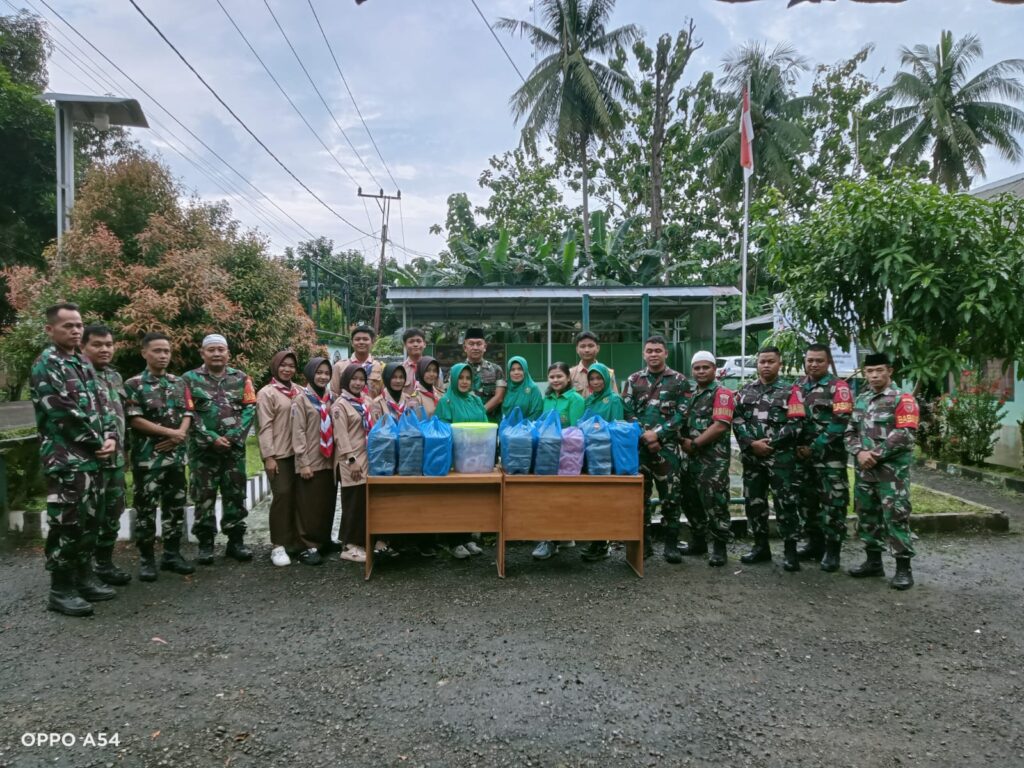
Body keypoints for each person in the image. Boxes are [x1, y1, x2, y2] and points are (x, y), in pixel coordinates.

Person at [30, 303, 118, 616]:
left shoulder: (82, 362)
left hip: (94, 459)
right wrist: (98, 442)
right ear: (50, 329)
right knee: (67, 523)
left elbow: (103, 403)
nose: (76, 331)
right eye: (68, 326)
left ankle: (84, 577)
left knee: (91, 521)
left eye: (78, 325)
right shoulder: (47, 364)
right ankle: (61, 588)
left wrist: (110, 436)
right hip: (67, 460)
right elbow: (63, 412)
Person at [124, 332, 196, 582]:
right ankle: (146, 560)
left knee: (175, 507)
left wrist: (180, 435)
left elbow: (188, 411)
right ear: (144, 352)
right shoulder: (133, 384)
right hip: (148, 461)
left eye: (166, 350)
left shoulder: (179, 383)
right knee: (145, 511)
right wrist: (171, 433)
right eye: (157, 350)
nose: (163, 355)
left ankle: (172, 555)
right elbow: (134, 419)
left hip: (176, 459)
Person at [844, 352, 919, 590]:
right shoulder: (862, 399)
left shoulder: (902, 399)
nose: (874, 375)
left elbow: (905, 434)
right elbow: (850, 431)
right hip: (865, 472)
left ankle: (903, 569)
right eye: (869, 371)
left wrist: (874, 455)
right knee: (867, 516)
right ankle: (873, 562)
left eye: (879, 370)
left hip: (891, 474)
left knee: (896, 517)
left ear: (890, 371)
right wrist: (859, 452)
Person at [183, 333, 257, 565]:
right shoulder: (188, 379)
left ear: (228, 353)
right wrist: (211, 437)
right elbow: (189, 412)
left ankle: (235, 541)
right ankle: (206, 544)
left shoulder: (241, 378)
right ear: (203, 353)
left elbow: (249, 408)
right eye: (211, 349)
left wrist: (233, 436)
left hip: (233, 452)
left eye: (221, 350)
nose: (216, 353)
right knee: (203, 497)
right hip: (203, 452)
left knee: (235, 495)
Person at [732, 346, 805, 572]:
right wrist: (752, 444)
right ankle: (760, 547)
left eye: (770, 361)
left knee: (786, 503)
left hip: (781, 459)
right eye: (762, 361)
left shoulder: (792, 391)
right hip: (753, 459)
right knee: (754, 502)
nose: (765, 365)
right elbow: (737, 421)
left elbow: (796, 423)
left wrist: (770, 445)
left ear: (779, 364)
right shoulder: (745, 392)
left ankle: (791, 552)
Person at [622, 335, 692, 564]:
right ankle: (644, 543)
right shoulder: (633, 380)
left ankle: (671, 543)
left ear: (666, 353)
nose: (653, 354)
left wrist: (659, 434)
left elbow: (683, 413)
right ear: (644, 354)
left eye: (658, 350)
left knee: (670, 498)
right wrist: (645, 434)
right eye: (649, 350)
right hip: (640, 449)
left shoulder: (680, 381)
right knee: (638, 498)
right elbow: (627, 410)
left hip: (667, 450)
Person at [81, 324, 132, 586]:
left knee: (112, 513)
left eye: (109, 344)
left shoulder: (114, 377)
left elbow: (119, 416)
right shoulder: (77, 375)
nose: (104, 349)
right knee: (88, 516)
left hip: (116, 460)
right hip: (89, 461)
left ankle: (104, 563)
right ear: (83, 347)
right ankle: (84, 571)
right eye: (97, 344)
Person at [794, 344, 852, 572]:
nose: (814, 364)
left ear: (827, 362)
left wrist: (815, 446)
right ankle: (814, 544)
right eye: (810, 360)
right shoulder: (798, 387)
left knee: (833, 503)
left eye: (819, 360)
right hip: (802, 458)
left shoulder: (839, 388)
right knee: (806, 502)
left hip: (830, 459)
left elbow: (841, 422)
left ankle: (833, 550)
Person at [678, 351, 735, 567]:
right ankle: (698, 541)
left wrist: (694, 444)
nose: (701, 371)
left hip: (712, 461)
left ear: (715, 369)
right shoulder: (691, 394)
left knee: (715, 502)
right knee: (690, 500)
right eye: (697, 368)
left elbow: (720, 425)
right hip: (689, 459)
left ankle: (720, 548)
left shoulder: (722, 394)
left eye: (706, 367)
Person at [257, 351, 307, 566]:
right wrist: (269, 456)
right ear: (275, 366)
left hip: (300, 454)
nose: (287, 369)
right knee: (282, 496)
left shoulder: (300, 391)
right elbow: (264, 427)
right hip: (280, 455)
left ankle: (296, 541)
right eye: (283, 365)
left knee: (299, 498)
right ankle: (278, 545)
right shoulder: (267, 393)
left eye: (291, 366)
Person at [533, 361, 587, 560]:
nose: (555, 380)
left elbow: (574, 433)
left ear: (568, 378)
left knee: (561, 498)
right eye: (552, 377)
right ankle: (558, 537)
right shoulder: (546, 399)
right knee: (547, 498)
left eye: (559, 376)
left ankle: (553, 540)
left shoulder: (575, 399)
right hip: (548, 457)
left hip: (567, 459)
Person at [434, 363, 488, 559]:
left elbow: (484, 425)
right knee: (454, 499)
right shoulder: (446, 402)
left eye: (468, 378)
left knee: (470, 498)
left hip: (475, 459)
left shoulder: (476, 401)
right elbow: (445, 431)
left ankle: (467, 538)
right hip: (455, 460)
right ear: (454, 379)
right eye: (461, 378)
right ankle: (454, 541)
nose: (464, 382)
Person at [291, 357, 338, 563]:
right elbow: (298, 431)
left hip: (329, 460)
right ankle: (307, 546)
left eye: (327, 373)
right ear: (310, 373)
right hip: (311, 458)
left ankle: (323, 540)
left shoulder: (332, 398)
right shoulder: (301, 399)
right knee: (308, 504)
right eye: (319, 373)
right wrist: (303, 462)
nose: (323, 377)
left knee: (326, 503)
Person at [332, 364, 372, 563]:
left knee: (362, 502)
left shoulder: (363, 401)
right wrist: (351, 460)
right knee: (352, 503)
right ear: (346, 380)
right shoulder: (340, 405)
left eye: (361, 379)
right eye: (353, 379)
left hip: (366, 459)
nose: (358, 383)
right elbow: (341, 436)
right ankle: (348, 545)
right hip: (352, 462)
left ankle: (360, 541)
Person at [463, 328, 505, 421]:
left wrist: (480, 413)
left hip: (490, 423)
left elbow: (499, 397)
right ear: (465, 347)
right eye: (471, 344)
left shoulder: (496, 370)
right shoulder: (455, 371)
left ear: (485, 346)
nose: (475, 347)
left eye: (479, 344)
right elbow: (449, 397)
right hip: (464, 423)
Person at [331, 324, 384, 400]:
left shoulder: (379, 366)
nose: (361, 342)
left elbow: (383, 395)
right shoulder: (339, 366)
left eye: (365, 339)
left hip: (372, 410)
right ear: (352, 343)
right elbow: (334, 394)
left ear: (372, 342)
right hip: (347, 410)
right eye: (357, 339)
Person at [569, 331, 617, 396]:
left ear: (598, 348)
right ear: (577, 349)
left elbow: (614, 399)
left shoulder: (608, 372)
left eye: (590, 346)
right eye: (582, 346)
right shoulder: (570, 374)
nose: (587, 350)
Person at [401, 328, 442, 395]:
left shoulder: (435, 369)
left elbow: (440, 392)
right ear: (405, 345)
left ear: (424, 344)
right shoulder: (401, 369)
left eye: (419, 341)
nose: (415, 344)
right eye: (411, 341)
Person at [501, 356, 543, 420]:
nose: (516, 372)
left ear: (525, 370)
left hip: (526, 428)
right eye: (512, 370)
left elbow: (537, 411)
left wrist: (522, 425)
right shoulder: (505, 388)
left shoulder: (533, 388)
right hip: (506, 428)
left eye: (520, 369)